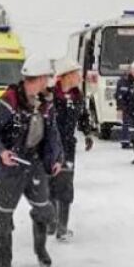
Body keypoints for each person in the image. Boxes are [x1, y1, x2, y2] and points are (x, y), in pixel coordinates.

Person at [0, 55, 64, 267]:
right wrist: (0, 152)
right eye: (46, 78)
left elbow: (52, 135)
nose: (48, 82)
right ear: (34, 80)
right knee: (3, 218)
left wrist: (56, 158)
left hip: (34, 165)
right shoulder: (7, 103)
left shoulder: (45, 104)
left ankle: (40, 249)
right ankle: (4, 260)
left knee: (44, 210)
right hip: (9, 169)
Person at [49, 58, 94, 242]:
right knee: (50, 185)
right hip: (49, 148)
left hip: (68, 147)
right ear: (66, 76)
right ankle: (51, 220)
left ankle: (62, 227)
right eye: (76, 74)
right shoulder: (50, 96)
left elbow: (83, 117)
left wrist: (88, 133)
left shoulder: (78, 95)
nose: (79, 77)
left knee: (66, 186)